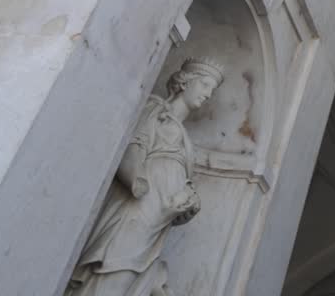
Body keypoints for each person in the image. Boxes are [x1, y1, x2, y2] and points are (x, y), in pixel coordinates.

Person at [66, 56, 225, 296]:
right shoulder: (155, 108)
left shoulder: (185, 138)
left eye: (211, 89)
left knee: (134, 277)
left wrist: (187, 203)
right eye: (204, 85)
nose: (208, 94)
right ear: (185, 82)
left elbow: (178, 175)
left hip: (159, 218)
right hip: (136, 207)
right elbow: (133, 148)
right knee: (116, 268)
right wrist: (138, 182)